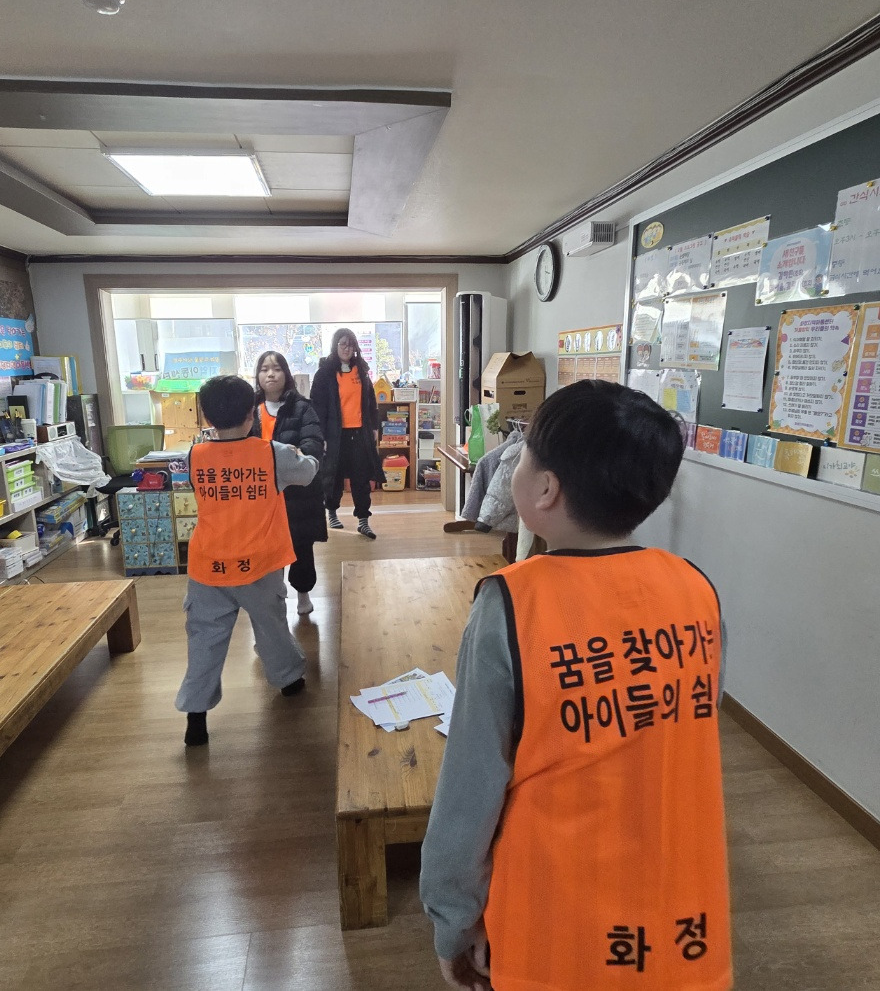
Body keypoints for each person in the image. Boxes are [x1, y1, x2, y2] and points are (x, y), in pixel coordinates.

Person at [419, 380, 732, 991]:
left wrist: (453, 920)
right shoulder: (696, 588)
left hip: (554, 916)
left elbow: (470, 786)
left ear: (545, 488)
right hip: (679, 910)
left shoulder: (511, 603)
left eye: (523, 455)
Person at [175, 374, 319, 748]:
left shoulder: (194, 455)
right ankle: (289, 680)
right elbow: (307, 473)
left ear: (206, 417)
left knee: (204, 640)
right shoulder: (273, 453)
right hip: (260, 565)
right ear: (251, 414)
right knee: (271, 626)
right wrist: (305, 455)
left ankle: (196, 716)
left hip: (208, 567)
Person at [249, 350, 327, 616]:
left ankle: (303, 593)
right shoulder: (250, 409)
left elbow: (312, 444)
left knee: (300, 545)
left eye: (276, 369)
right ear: (258, 375)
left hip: (297, 492)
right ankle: (274, 597)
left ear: (286, 374)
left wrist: (294, 458)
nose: (270, 374)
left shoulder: (302, 407)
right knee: (268, 548)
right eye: (264, 369)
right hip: (262, 492)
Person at [309, 327, 386, 540]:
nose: (347, 348)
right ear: (335, 346)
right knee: (333, 476)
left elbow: (370, 401)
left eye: (351, 345)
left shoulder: (361, 371)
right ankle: (332, 512)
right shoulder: (324, 373)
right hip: (334, 435)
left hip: (359, 433)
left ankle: (363, 520)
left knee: (361, 478)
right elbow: (318, 406)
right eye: (343, 344)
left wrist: (374, 427)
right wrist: (321, 435)